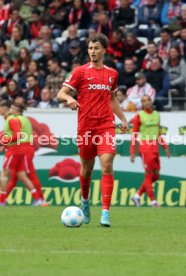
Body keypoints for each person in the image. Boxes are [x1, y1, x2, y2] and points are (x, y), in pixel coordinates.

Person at [57, 33, 128, 227]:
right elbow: (61, 93)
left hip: (106, 125)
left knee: (107, 163)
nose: (92, 52)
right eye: (90, 48)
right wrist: (70, 98)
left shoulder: (112, 74)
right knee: (87, 170)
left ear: (104, 50)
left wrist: (122, 118)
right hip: (86, 127)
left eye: (96, 48)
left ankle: (105, 212)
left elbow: (112, 99)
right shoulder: (80, 72)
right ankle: (85, 202)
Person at [130, 95, 170, 207]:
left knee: (156, 175)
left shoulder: (157, 115)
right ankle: (153, 201)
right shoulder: (139, 116)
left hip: (155, 147)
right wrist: (132, 152)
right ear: (141, 104)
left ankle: (137, 196)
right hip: (145, 148)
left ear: (151, 101)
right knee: (148, 174)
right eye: (144, 100)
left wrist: (165, 147)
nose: (147, 102)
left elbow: (158, 133)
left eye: (148, 100)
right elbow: (134, 135)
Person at [5, 101, 47, 206]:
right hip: (27, 148)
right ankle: (3, 199)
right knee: (16, 176)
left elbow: (17, 135)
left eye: (12, 109)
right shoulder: (26, 119)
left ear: (16, 110)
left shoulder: (16, 120)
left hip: (22, 148)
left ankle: (41, 200)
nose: (11, 111)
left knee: (29, 174)